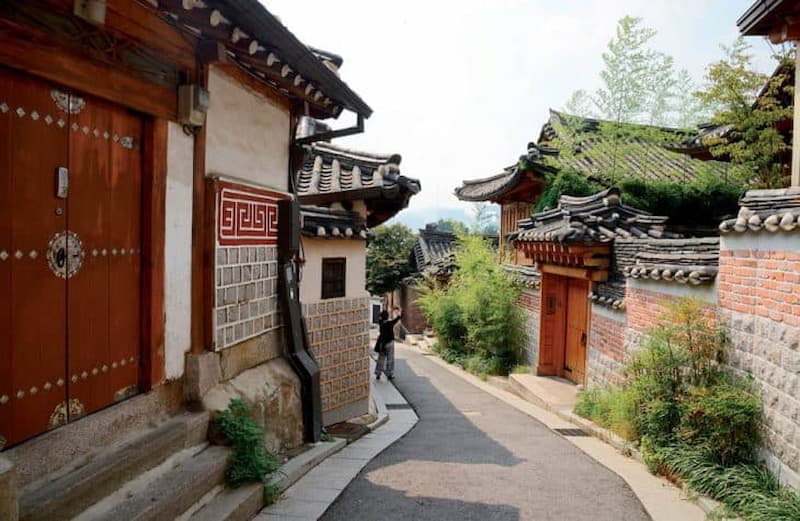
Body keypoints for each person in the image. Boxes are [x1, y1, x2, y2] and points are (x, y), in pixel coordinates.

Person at [375, 306, 402, 381]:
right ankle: (389, 374)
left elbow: (382, 317)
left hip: (382, 343)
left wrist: (389, 312)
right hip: (390, 343)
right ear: (387, 317)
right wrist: (398, 310)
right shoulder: (390, 323)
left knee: (381, 359)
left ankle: (378, 373)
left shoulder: (381, 323)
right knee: (390, 359)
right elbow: (398, 318)